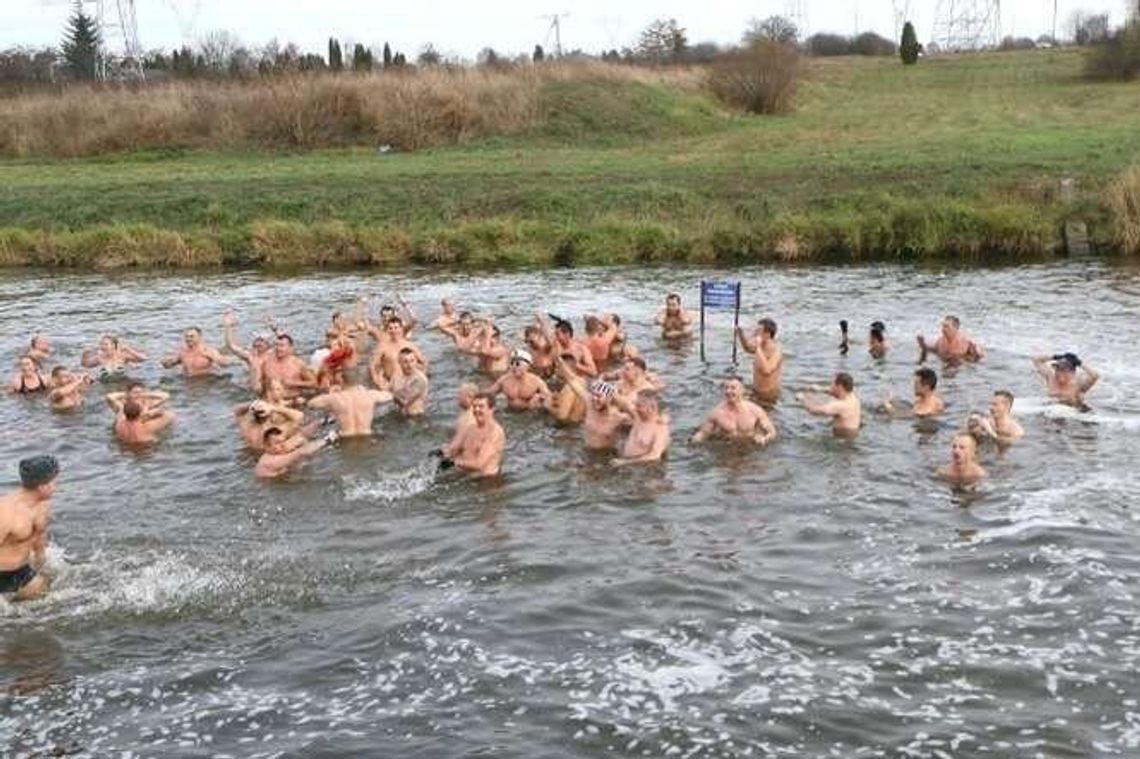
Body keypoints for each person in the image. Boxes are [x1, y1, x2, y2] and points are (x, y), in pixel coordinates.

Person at [0, 455, 59, 602]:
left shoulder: (42, 504)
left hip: (23, 570)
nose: (57, 487)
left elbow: (40, 535)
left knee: (47, 596)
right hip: (2, 573)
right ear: (43, 487)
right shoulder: (6, 512)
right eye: (54, 482)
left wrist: (42, 561)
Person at [691, 376, 777, 446]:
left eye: (733, 388)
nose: (729, 391)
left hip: (749, 446)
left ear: (742, 390)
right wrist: (693, 442)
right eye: (726, 388)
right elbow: (703, 433)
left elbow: (772, 432)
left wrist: (764, 439)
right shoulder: (716, 413)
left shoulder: (755, 410)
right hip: (728, 447)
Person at [308, 368, 394, 437]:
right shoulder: (370, 395)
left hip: (345, 438)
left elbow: (311, 403)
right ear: (357, 381)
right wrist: (382, 384)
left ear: (342, 381)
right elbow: (390, 396)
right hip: (367, 436)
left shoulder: (335, 398)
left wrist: (330, 392)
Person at [435, 394, 505, 477]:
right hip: (464, 476)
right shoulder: (469, 428)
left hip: (486, 480)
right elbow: (454, 450)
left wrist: (454, 463)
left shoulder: (495, 433)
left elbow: (479, 464)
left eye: (481, 406)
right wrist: (441, 452)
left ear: (492, 409)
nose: (476, 409)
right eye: (474, 406)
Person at [611, 389, 670, 466]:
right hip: (626, 461)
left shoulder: (660, 428)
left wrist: (625, 462)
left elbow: (655, 456)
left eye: (639, 406)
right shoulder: (638, 418)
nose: (635, 408)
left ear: (652, 408)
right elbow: (622, 403)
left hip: (644, 468)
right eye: (636, 404)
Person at [256, 428, 339, 478]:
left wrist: (321, 422)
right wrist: (327, 440)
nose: (283, 445)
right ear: (267, 446)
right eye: (277, 443)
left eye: (283, 441)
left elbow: (300, 436)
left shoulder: (276, 452)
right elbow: (300, 452)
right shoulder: (271, 461)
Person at [736, 317, 784, 405]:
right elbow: (748, 349)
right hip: (756, 391)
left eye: (758, 331)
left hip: (767, 396)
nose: (755, 333)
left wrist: (758, 346)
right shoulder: (761, 346)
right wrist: (741, 334)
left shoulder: (776, 350)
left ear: (767, 334)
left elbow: (767, 370)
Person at [796, 372, 861, 437]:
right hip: (852, 433)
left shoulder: (840, 406)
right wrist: (820, 389)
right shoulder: (852, 397)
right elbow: (837, 392)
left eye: (832, 384)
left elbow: (813, 410)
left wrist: (802, 398)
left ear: (840, 386)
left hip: (842, 438)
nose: (830, 386)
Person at [368, 316, 428, 387]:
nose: (393, 331)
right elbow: (372, 366)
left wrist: (421, 376)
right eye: (390, 328)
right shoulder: (382, 347)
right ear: (387, 330)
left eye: (396, 327)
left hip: (409, 383)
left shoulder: (409, 345)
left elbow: (424, 362)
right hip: (392, 384)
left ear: (401, 329)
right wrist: (380, 383)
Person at [222, 310, 271, 391]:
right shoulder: (251, 357)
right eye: (257, 341)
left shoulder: (274, 356)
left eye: (262, 341)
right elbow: (231, 346)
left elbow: (285, 342)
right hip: (253, 391)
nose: (258, 343)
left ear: (268, 345)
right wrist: (228, 327)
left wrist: (274, 328)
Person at [234, 398, 308, 451]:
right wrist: (273, 408)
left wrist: (254, 404)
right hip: (274, 457)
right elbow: (299, 416)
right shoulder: (275, 431)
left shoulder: (246, 427)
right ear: (270, 415)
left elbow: (237, 410)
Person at [1032, 352, 1099, 408]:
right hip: (1051, 411)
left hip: (1072, 414)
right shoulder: (1051, 378)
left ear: (1072, 372)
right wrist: (1056, 357)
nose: (1059, 372)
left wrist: (1080, 364)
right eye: (1057, 369)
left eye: (1063, 369)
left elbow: (1095, 375)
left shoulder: (1078, 384)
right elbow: (1036, 360)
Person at [162, 327, 234, 377]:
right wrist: (165, 362)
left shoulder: (208, 351)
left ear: (199, 337)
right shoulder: (182, 352)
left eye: (191, 336)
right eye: (186, 336)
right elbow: (168, 366)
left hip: (206, 381)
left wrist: (224, 361)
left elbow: (224, 364)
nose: (188, 339)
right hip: (187, 381)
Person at [261, 333, 316, 398]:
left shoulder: (298, 364)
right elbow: (262, 384)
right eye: (276, 345)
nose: (278, 348)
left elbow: (314, 383)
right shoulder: (267, 363)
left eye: (282, 345)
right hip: (271, 400)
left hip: (292, 399)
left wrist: (294, 383)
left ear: (290, 348)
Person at [917, 315, 983, 363]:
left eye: (946, 326)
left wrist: (975, 354)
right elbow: (931, 350)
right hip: (944, 362)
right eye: (943, 326)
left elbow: (979, 358)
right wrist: (922, 344)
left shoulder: (967, 342)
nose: (943, 329)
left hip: (959, 367)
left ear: (955, 327)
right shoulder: (940, 341)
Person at [389, 348, 430, 417]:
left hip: (417, 417)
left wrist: (390, 392)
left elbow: (405, 400)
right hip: (401, 415)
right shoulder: (396, 377)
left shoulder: (420, 379)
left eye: (412, 361)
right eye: (405, 362)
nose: (410, 365)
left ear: (416, 361)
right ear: (399, 362)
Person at [81, 335, 147, 375]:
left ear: (113, 345)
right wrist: (92, 351)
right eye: (101, 344)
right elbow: (85, 365)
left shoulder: (123, 356)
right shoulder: (99, 358)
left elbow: (144, 358)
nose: (103, 346)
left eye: (106, 344)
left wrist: (128, 349)